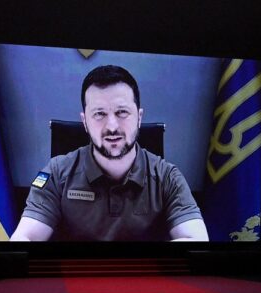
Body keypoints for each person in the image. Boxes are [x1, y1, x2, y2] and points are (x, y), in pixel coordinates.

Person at [11, 65, 208, 241]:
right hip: (76, 279)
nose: (112, 127)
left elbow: (196, 239)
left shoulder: (168, 177)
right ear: (85, 122)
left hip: (143, 279)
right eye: (99, 114)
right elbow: (25, 237)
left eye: (122, 112)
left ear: (139, 117)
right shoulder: (55, 173)